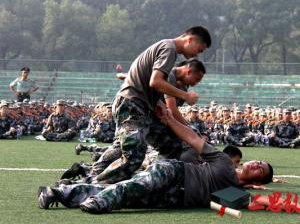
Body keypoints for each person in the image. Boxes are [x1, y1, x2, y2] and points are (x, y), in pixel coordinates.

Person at [38, 107, 273, 213]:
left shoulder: (238, 194)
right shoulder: (222, 161)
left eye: (260, 169)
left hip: (178, 198)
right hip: (176, 172)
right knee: (134, 185)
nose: (255, 164)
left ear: (259, 180)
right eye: (258, 161)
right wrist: (170, 120)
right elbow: (193, 138)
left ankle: (58, 193)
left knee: (129, 198)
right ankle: (100, 203)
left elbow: (259, 202)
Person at [88, 26, 211, 184]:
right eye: (199, 50)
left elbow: (147, 81)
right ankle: (93, 185)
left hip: (141, 106)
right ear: (190, 39)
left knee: (172, 145)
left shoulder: (168, 49)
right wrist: (185, 96)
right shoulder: (169, 49)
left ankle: (160, 179)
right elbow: (155, 82)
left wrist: (157, 102)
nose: (197, 55)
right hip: (131, 104)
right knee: (133, 157)